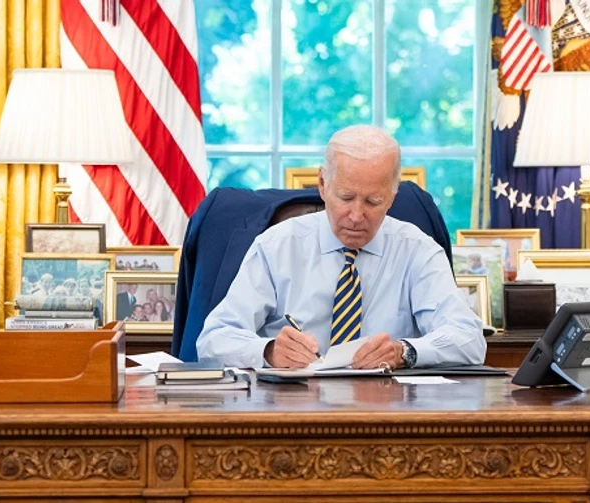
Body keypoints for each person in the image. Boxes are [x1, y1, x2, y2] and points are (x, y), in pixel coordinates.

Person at [197, 125, 486, 369]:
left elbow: (470, 340)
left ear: (392, 195)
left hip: (386, 406)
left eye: (373, 201)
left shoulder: (418, 250)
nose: (357, 215)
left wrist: (405, 352)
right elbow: (213, 339)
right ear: (323, 184)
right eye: (346, 198)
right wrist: (268, 351)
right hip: (293, 405)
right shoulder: (276, 247)